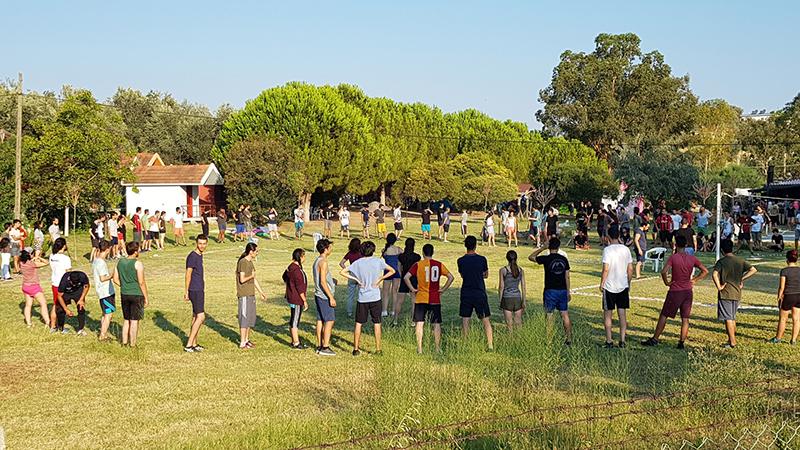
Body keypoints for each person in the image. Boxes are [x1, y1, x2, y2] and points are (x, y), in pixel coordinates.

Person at [641, 235, 708, 349]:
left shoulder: (674, 257)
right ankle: (681, 342)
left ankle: (655, 338)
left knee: (664, 315)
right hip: (688, 291)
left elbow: (663, 271)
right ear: (686, 245)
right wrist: (694, 280)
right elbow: (705, 271)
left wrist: (667, 282)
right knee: (685, 318)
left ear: (675, 245)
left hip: (675, 291)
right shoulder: (692, 258)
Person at [340, 241, 395, 356]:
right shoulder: (378, 261)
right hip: (375, 297)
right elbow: (392, 271)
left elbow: (342, 271)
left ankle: (355, 349)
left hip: (362, 297)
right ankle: (378, 349)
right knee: (377, 323)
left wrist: (357, 280)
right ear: (373, 250)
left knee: (359, 323)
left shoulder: (358, 263)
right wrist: (381, 278)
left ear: (361, 251)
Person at [405, 243, 454, 353]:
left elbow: (406, 277)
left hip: (421, 297)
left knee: (420, 323)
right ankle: (437, 348)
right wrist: (443, 289)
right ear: (433, 252)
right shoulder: (438, 264)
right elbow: (451, 277)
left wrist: (412, 289)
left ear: (423, 253)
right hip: (434, 298)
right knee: (436, 324)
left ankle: (419, 348)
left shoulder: (418, 265)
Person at [712, 239, 758, 348]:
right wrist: (742, 278)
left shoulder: (721, 262)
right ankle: (731, 338)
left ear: (722, 250)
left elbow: (714, 274)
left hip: (726, 293)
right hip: (737, 292)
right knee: (732, 317)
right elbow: (753, 269)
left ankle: (732, 342)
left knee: (728, 318)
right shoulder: (740, 260)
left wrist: (719, 287)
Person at [530, 237, 572, 343]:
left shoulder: (546, 259)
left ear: (549, 247)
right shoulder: (564, 259)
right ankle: (569, 338)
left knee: (549, 315)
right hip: (562, 290)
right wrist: (568, 291)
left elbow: (531, 257)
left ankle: (549, 339)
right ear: (558, 247)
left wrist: (542, 248)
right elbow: (567, 276)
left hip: (550, 290)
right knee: (564, 314)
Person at [457, 236, 493, 350]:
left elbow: (463, 275)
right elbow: (486, 275)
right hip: (479, 291)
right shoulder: (482, 259)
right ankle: (490, 344)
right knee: (485, 319)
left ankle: (465, 343)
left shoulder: (461, 260)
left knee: (465, 319)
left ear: (465, 246)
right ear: (475, 245)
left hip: (466, 292)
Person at [599, 226, 633, 348]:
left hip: (609, 286)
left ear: (608, 237)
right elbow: (630, 269)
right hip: (622, 285)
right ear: (619, 236)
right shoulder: (626, 250)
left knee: (608, 314)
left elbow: (606, 269)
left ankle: (609, 340)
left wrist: (602, 283)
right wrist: (628, 283)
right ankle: (622, 340)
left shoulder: (607, 250)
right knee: (622, 313)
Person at [113, 242, 149, 347]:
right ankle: (133, 344)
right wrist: (146, 297)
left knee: (126, 319)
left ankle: (124, 342)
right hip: (136, 294)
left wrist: (124, 286)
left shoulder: (120, 262)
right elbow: (141, 282)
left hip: (124, 293)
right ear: (135, 252)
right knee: (134, 320)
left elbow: (115, 279)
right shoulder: (138, 264)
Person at [236, 243, 267, 349]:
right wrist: (251, 276)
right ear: (251, 251)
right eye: (256, 251)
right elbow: (242, 279)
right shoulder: (243, 262)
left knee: (250, 317)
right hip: (244, 294)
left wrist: (261, 292)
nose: (257, 253)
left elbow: (254, 279)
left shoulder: (250, 263)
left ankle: (247, 340)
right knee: (244, 318)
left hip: (251, 294)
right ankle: (242, 342)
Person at [184, 234, 208, 352]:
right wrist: (186, 291)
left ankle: (194, 343)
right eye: (200, 243)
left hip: (199, 288)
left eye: (204, 244)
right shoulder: (192, 256)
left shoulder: (199, 255)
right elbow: (188, 274)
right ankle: (189, 344)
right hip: (195, 289)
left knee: (195, 316)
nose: (202, 246)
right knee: (201, 316)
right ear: (196, 243)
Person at [313, 239, 338, 356]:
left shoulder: (317, 261)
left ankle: (319, 344)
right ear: (326, 249)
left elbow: (322, 279)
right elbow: (323, 282)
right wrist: (331, 297)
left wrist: (332, 281)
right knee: (329, 320)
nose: (331, 249)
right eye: (330, 247)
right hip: (324, 296)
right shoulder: (323, 262)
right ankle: (325, 346)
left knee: (320, 320)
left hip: (318, 294)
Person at [770, 250, 800, 345]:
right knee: (796, 319)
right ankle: (793, 340)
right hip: (799, 295)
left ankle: (778, 338)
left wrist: (779, 297)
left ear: (787, 259)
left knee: (783, 318)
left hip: (788, 295)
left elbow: (782, 287)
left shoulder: (784, 271)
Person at [284, 248, 308, 349]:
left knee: (293, 318)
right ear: (300, 257)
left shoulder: (290, 267)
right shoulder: (297, 270)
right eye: (304, 256)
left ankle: (294, 340)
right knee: (295, 320)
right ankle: (296, 342)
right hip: (296, 299)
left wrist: (290, 286)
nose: (305, 258)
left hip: (292, 297)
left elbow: (284, 277)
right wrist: (304, 301)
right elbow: (300, 287)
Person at [20, 249, 50, 328]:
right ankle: (47, 322)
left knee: (28, 305)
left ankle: (29, 323)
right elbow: (46, 263)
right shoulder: (32, 264)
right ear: (30, 255)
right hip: (34, 286)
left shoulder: (21, 263)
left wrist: (33, 258)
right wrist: (39, 257)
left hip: (25, 286)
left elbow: (28, 261)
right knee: (43, 304)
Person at [93, 240, 116, 341]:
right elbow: (102, 278)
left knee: (104, 313)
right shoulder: (101, 263)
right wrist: (112, 275)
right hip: (105, 292)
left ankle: (104, 333)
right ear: (108, 249)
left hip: (102, 291)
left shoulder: (96, 260)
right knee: (109, 314)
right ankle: (102, 335)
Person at [55, 270, 90, 335]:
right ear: (69, 279)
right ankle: (61, 327)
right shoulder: (64, 281)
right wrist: (66, 309)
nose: (74, 285)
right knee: (60, 309)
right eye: (73, 283)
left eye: (76, 283)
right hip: (66, 292)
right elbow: (59, 296)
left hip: (78, 292)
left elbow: (86, 286)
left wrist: (81, 299)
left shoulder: (83, 276)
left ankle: (81, 329)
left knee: (81, 308)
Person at [498, 250, 526, 331]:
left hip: (507, 298)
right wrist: (523, 300)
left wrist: (500, 300)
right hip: (517, 298)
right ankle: (520, 340)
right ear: (516, 258)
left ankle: (510, 341)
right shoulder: (521, 270)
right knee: (518, 322)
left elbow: (501, 287)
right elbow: (523, 286)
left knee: (509, 323)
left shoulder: (503, 270)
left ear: (507, 258)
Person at [396, 238, 421, 324]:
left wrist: (401, 275)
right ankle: (413, 321)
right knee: (414, 301)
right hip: (413, 279)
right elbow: (418, 269)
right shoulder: (417, 257)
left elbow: (399, 268)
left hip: (404, 279)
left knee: (399, 301)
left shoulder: (401, 256)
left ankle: (395, 320)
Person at [48, 238, 71, 332]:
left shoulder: (52, 256)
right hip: (62, 284)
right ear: (64, 246)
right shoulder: (65, 258)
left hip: (54, 283)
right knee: (61, 306)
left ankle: (53, 325)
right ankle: (59, 326)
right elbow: (68, 273)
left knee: (56, 304)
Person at [380, 233, 402, 317]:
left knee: (385, 292)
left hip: (387, 271)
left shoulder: (384, 250)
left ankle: (384, 310)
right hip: (396, 271)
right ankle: (393, 310)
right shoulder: (398, 249)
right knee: (395, 291)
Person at [339, 238, 362, 318]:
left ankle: (349, 312)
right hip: (360, 275)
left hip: (352, 274)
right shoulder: (361, 253)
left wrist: (347, 270)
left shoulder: (349, 253)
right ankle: (361, 311)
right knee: (361, 294)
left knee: (350, 295)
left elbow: (341, 263)